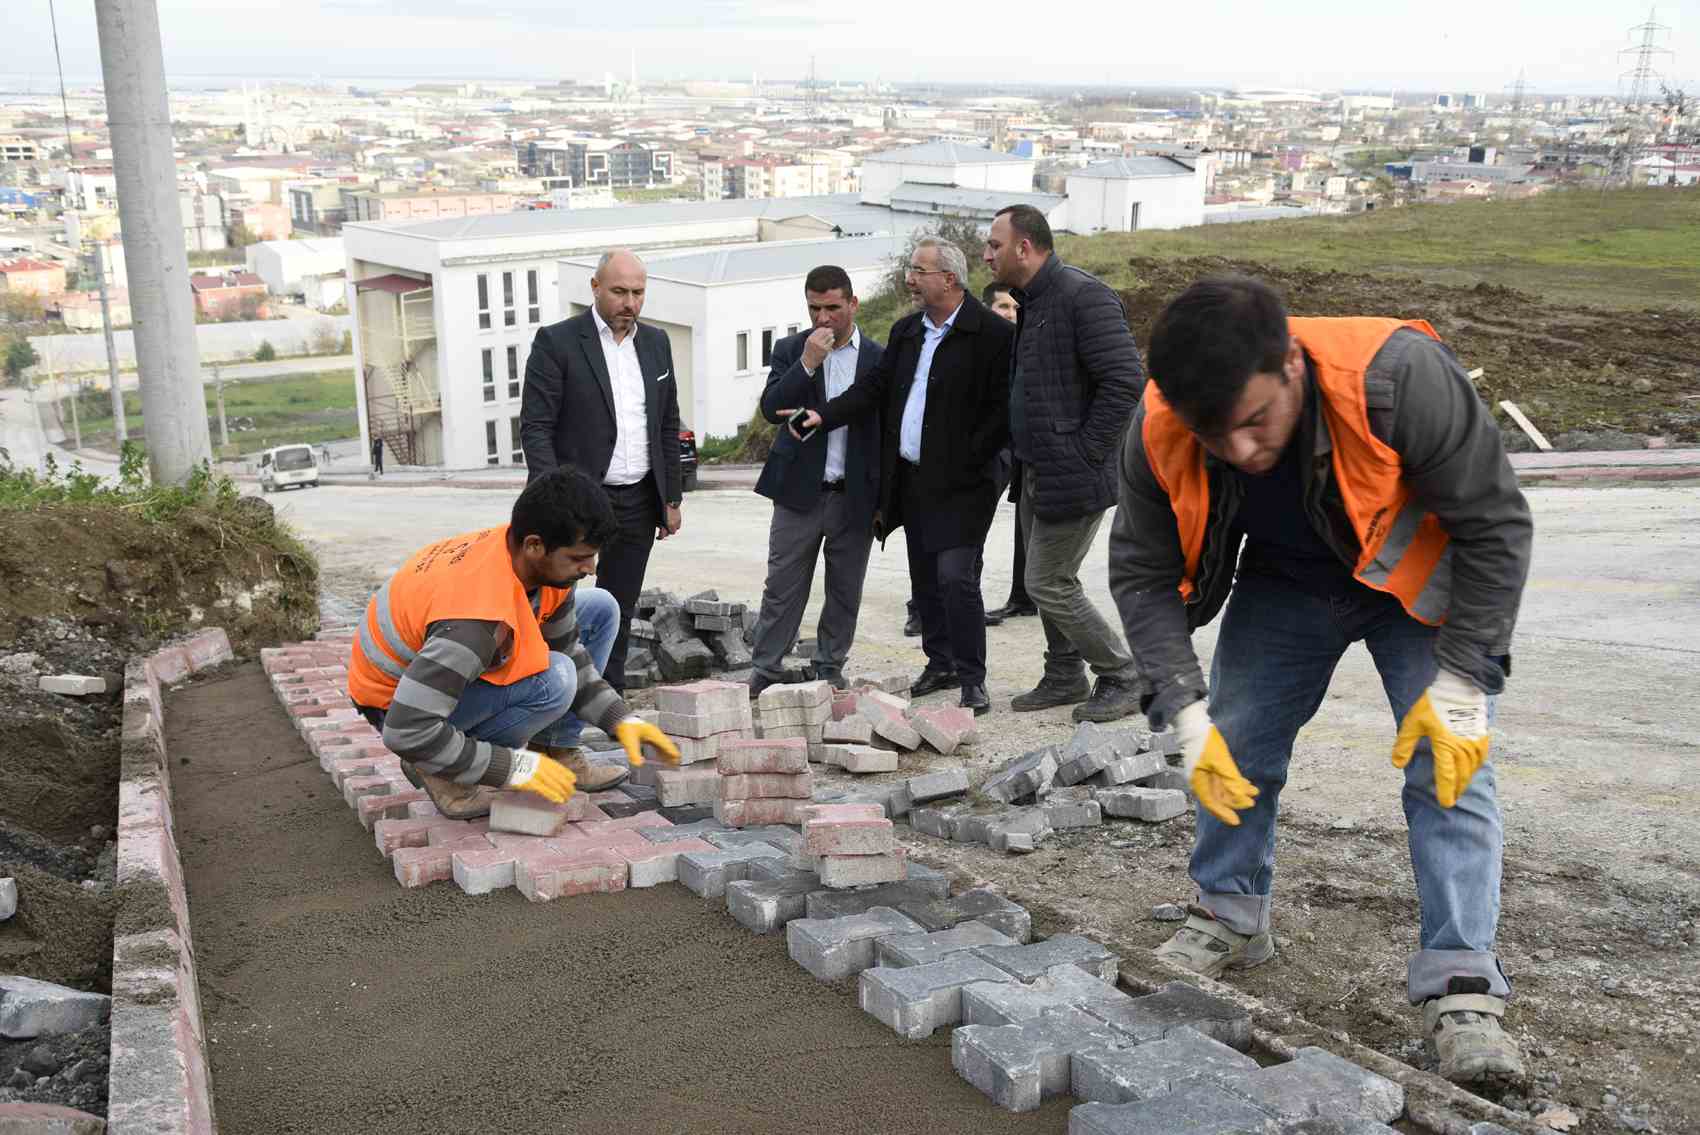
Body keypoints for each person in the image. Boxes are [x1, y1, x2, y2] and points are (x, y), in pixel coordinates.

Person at [1111, 276, 1532, 1084]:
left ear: (1293, 368)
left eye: (1256, 422)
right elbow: (1140, 571)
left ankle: (1462, 980)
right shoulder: (1160, 422)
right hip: (1288, 581)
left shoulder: (1399, 376)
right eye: (1215, 435)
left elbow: (1496, 527)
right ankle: (1230, 914)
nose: (1238, 450)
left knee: (1450, 760)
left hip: (1414, 582)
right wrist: (1182, 707)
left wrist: (1463, 679)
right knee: (1233, 742)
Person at [347, 467, 680, 818]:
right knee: (555, 679)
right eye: (580, 557)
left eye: (593, 555)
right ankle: (439, 767)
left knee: (600, 609)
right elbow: (405, 730)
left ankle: (555, 749)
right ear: (535, 545)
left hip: (435, 670)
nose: (591, 568)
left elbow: (568, 648)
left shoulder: (535, 562)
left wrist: (620, 719)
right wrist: (514, 768)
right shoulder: (475, 620)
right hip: (398, 707)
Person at [790, 239, 1011, 715]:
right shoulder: (908, 330)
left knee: (956, 578)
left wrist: (971, 460)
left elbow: (1002, 412)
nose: (909, 279)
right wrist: (824, 416)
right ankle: (940, 662)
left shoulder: (991, 334)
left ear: (948, 279)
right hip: (911, 480)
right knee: (925, 579)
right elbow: (874, 388)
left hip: (966, 483)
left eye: (918, 270)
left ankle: (972, 678)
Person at [984, 204, 1145, 723]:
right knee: (1050, 577)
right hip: (1037, 468)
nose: (987, 255)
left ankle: (1122, 674)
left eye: (995, 245)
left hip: (1072, 469)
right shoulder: (1034, 299)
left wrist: (1083, 451)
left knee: (1047, 581)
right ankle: (1063, 674)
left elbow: (1124, 383)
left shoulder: (1083, 296)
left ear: (1024, 248)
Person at [519, 248, 683, 693]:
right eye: (619, 291)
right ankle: (552, 694)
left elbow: (667, 422)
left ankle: (605, 698)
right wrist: (553, 501)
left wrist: (671, 498)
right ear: (595, 288)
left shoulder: (656, 343)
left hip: (638, 497)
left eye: (638, 293)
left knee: (619, 605)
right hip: (578, 500)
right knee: (560, 604)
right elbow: (536, 427)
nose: (629, 302)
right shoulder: (557, 342)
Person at [746, 266, 885, 697]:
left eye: (832, 308)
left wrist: (884, 500)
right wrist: (808, 363)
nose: (823, 319)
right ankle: (766, 671)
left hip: (854, 494)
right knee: (782, 587)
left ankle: (829, 668)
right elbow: (772, 408)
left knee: (845, 589)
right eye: (814, 308)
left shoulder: (878, 358)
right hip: (798, 492)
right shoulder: (792, 349)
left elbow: (886, 431)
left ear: (853, 304)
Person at [979, 282, 1036, 626]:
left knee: (1026, 523)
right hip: (993, 445)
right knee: (972, 524)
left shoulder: (1030, 341)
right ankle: (933, 604)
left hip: (1026, 444)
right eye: (1003, 307)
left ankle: (1023, 596)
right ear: (988, 309)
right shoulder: (979, 345)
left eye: (1015, 308)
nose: (1010, 314)